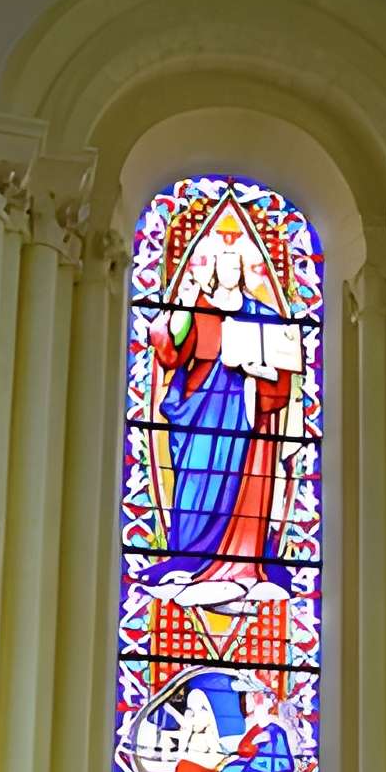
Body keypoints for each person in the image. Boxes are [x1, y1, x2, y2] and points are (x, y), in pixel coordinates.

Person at [139, 238, 301, 610]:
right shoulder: (198, 310)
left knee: (244, 489)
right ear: (211, 270)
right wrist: (179, 308)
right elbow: (170, 352)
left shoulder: (263, 312)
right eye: (223, 265)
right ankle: (191, 559)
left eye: (236, 265)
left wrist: (261, 372)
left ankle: (242, 565)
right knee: (197, 479)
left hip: (246, 411)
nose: (229, 271)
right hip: (202, 412)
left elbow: (282, 369)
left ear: (245, 272)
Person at [217, 678, 296, 772]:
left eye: (250, 696)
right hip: (256, 760)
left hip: (267, 765)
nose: (247, 701)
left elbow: (267, 735)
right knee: (228, 771)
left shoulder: (272, 723)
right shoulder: (252, 721)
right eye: (247, 696)